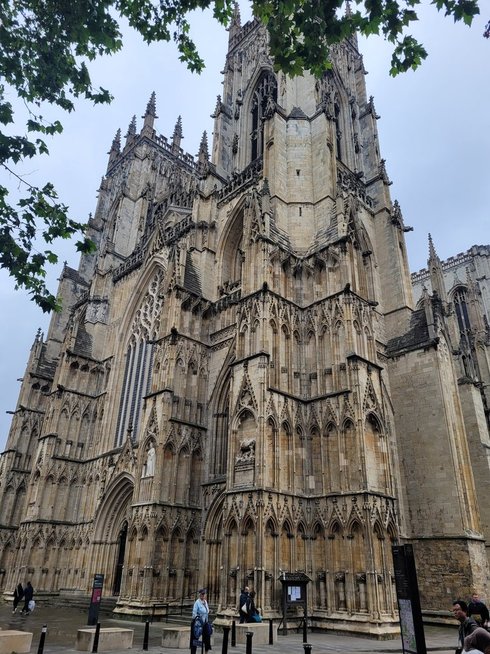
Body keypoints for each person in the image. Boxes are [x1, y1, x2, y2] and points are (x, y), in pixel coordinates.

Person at [190, 588, 211, 654]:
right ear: (199, 595)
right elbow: (194, 613)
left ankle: (206, 652)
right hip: (198, 624)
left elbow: (207, 611)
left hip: (205, 623)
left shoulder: (205, 602)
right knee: (195, 639)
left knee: (207, 638)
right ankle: (193, 652)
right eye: (201, 594)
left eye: (204, 594)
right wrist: (198, 618)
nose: (203, 595)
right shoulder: (197, 602)